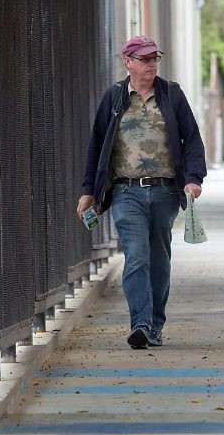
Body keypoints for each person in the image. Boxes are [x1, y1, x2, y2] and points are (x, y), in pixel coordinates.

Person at [78, 35, 206, 349]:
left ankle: (156, 325)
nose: (151, 64)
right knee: (136, 256)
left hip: (164, 191)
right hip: (125, 192)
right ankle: (140, 324)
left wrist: (194, 178)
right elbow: (97, 147)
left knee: (159, 261)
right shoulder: (114, 98)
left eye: (154, 59)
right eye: (145, 59)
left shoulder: (172, 95)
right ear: (128, 62)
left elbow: (192, 140)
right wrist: (88, 192)